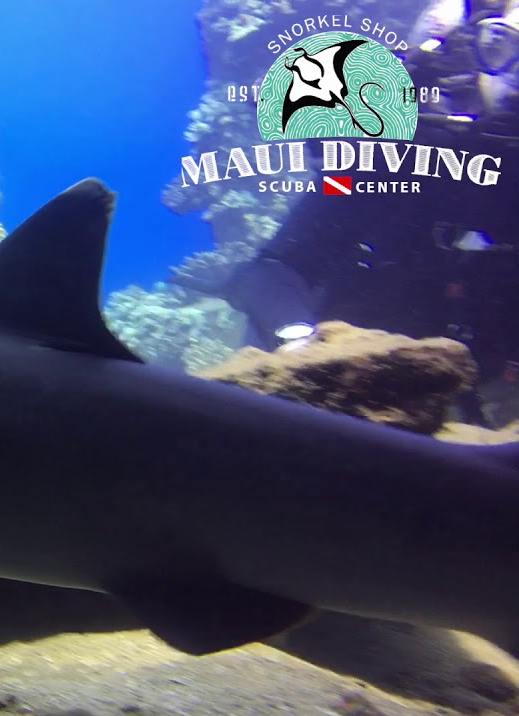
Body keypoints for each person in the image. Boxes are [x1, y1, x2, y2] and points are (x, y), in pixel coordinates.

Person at [211, 0, 519, 426]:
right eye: (501, 45)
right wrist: (302, 346)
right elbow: (274, 271)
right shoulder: (391, 159)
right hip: (354, 410)